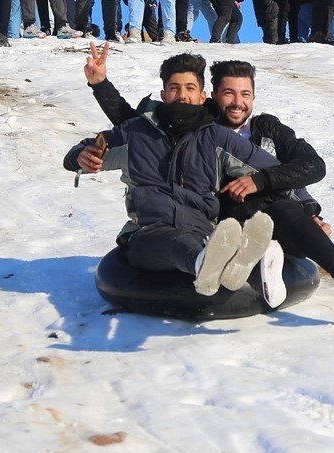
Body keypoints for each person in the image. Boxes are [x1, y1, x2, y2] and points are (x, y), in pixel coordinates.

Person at [81, 45, 334, 306]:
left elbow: (302, 169)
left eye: (245, 94)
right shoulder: (204, 132)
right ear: (211, 97)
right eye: (229, 93)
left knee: (283, 210)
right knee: (225, 227)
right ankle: (252, 259)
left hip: (261, 219)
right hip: (223, 223)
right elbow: (136, 127)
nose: (237, 102)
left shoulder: (264, 130)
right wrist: (101, 86)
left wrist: (308, 209)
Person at [65, 52, 284, 301]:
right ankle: (205, 263)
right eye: (174, 88)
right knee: (174, 242)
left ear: (202, 97)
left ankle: (247, 263)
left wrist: (309, 209)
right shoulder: (135, 133)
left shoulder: (217, 138)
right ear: (163, 95)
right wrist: (80, 157)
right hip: (148, 234)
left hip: (202, 231)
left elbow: (273, 169)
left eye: (190, 88)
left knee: (206, 239)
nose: (182, 95)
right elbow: (87, 150)